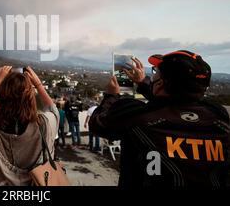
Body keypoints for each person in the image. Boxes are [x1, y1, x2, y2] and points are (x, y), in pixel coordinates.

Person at [90, 50, 230, 187]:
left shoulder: (135, 114)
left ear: (160, 83)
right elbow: (174, 103)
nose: (154, 76)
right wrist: (143, 83)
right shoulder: (219, 116)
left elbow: (97, 124)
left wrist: (111, 96)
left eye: (156, 72)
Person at [0, 66, 59, 186]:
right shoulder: (45, 124)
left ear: (1, 96)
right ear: (30, 98)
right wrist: (38, 85)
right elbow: (54, 110)